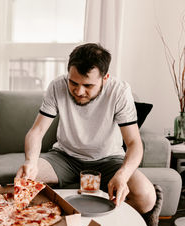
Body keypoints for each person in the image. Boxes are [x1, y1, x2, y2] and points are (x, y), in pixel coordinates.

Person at [15, 43, 157, 215]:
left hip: (108, 160)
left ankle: (104, 223)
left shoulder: (119, 91)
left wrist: (123, 175)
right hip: (64, 157)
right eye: (73, 82)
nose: (79, 91)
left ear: (105, 78)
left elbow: (134, 143)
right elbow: (36, 132)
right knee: (23, 186)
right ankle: (54, 223)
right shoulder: (57, 86)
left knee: (147, 197)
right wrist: (30, 161)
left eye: (88, 85)